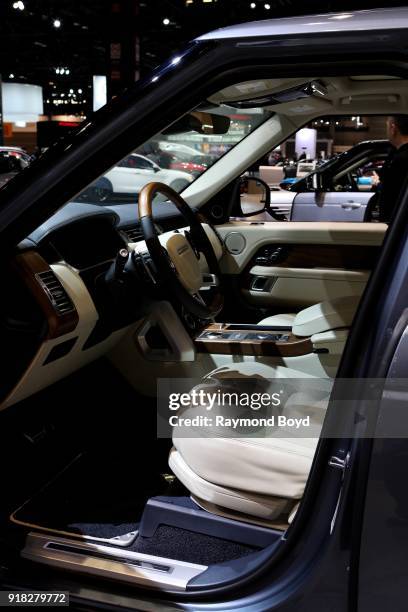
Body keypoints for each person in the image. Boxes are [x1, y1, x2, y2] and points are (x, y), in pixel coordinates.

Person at [373, 115, 408, 222]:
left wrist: (378, 183)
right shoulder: (397, 154)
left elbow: (392, 192)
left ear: (393, 129)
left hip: (396, 222)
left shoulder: (401, 159)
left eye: (387, 126)